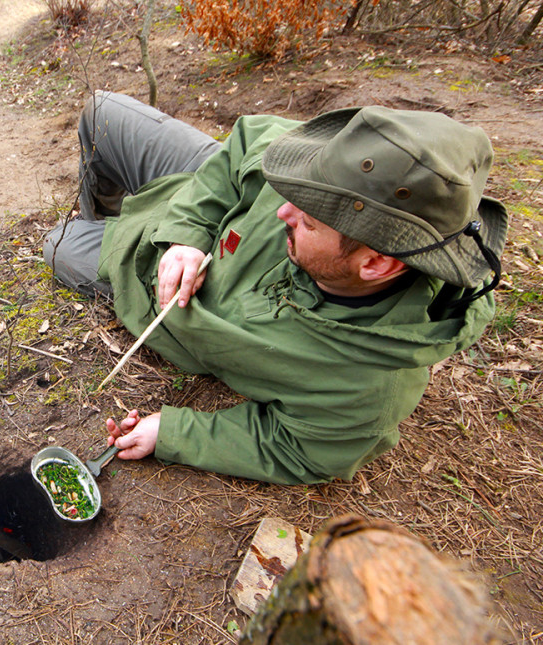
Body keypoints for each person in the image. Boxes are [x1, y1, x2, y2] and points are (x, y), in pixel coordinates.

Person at [43, 91, 508, 484]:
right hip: (201, 188)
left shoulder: (366, 388)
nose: (283, 210)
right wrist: (188, 231)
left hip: (140, 274)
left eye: (306, 219)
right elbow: (248, 142)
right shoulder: (341, 169)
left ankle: (104, 230)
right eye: (294, 195)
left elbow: (294, 449)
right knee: (102, 111)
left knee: (57, 245)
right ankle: (104, 212)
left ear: (376, 263)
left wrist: (173, 433)